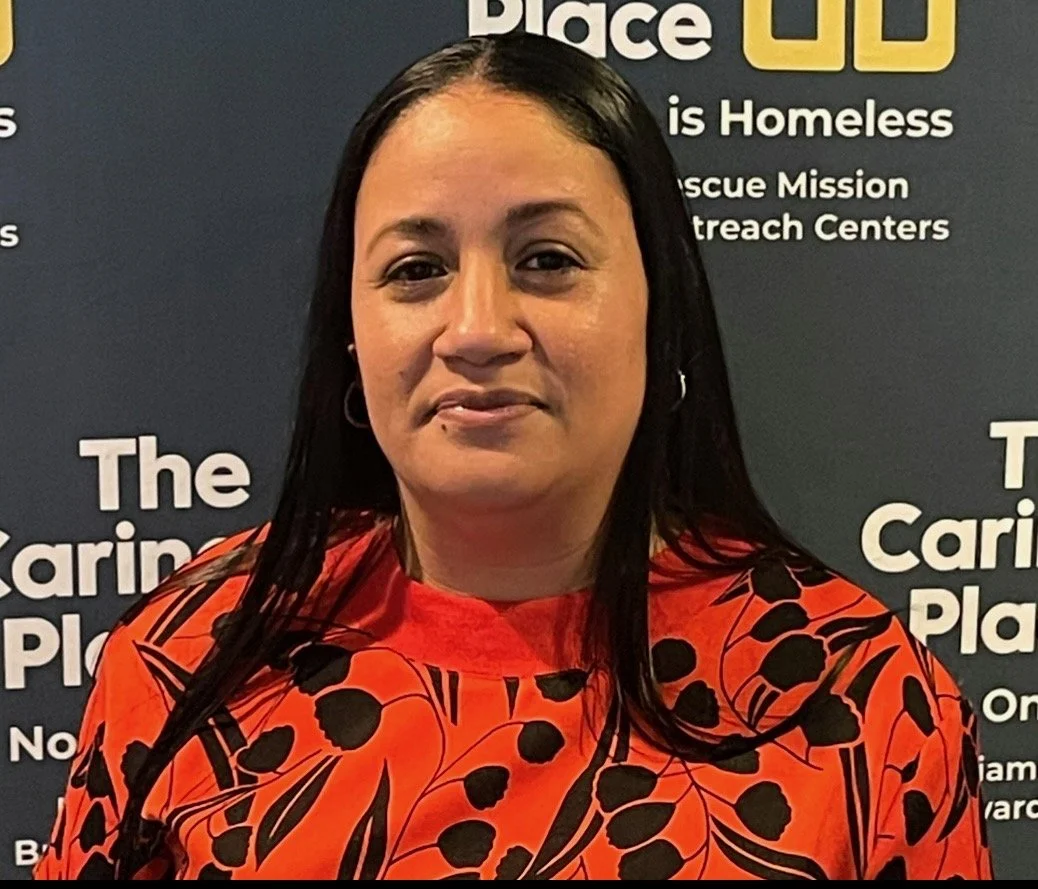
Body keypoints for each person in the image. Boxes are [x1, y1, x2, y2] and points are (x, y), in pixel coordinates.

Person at [35, 31, 993, 881]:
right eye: (417, 269)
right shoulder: (189, 654)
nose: (479, 329)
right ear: (352, 339)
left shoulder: (857, 694)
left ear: (662, 316)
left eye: (548, 260)